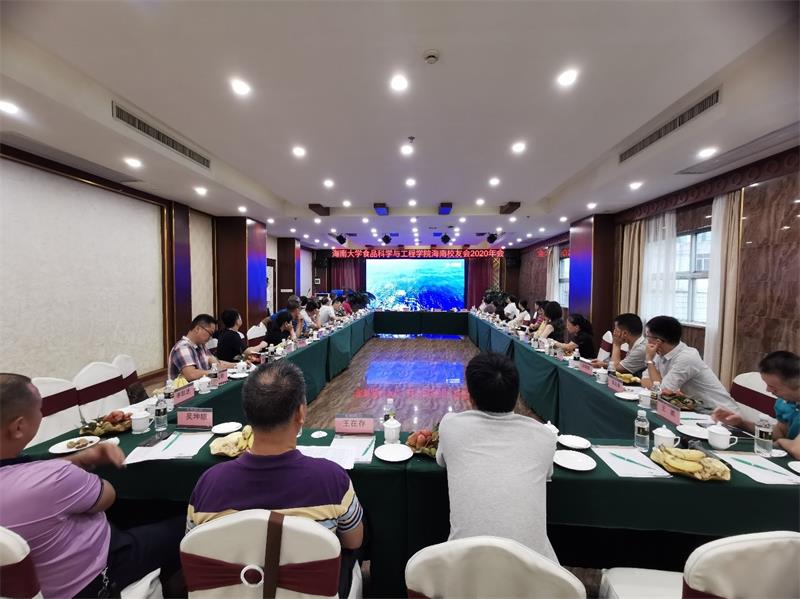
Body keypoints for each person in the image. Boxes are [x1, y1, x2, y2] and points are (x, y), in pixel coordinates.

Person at [187, 361, 364, 597]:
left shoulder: (208, 484)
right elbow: (353, 542)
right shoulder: (332, 479)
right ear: (301, 413)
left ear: (247, 413)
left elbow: (193, 545)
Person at [0, 374, 184, 598]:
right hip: (96, 574)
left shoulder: (41, 475)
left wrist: (79, 459)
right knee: (185, 520)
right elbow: (107, 496)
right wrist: (74, 468)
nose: (41, 414)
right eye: (39, 409)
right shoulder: (53, 478)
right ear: (18, 427)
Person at [436, 354, 558, 562]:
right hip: (536, 572)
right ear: (516, 395)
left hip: (463, 570)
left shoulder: (450, 425)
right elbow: (547, 474)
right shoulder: (545, 437)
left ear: (470, 397)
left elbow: (441, 460)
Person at [643, 316, 738, 412]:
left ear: (658, 342)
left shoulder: (687, 357)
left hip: (720, 413)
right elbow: (645, 380)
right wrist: (659, 387)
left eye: (647, 336)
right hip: (695, 408)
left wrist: (649, 360)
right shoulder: (661, 352)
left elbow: (661, 391)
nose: (646, 341)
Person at [712, 351, 800, 449]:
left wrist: (780, 442)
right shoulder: (785, 402)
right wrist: (741, 423)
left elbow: (797, 450)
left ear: (795, 383)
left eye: (773, 387)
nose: (768, 390)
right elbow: (780, 433)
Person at [168, 314, 235, 381]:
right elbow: (191, 374)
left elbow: (216, 364)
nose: (210, 338)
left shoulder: (201, 346)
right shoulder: (182, 347)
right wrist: (215, 374)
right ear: (197, 329)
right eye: (210, 333)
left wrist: (237, 365)